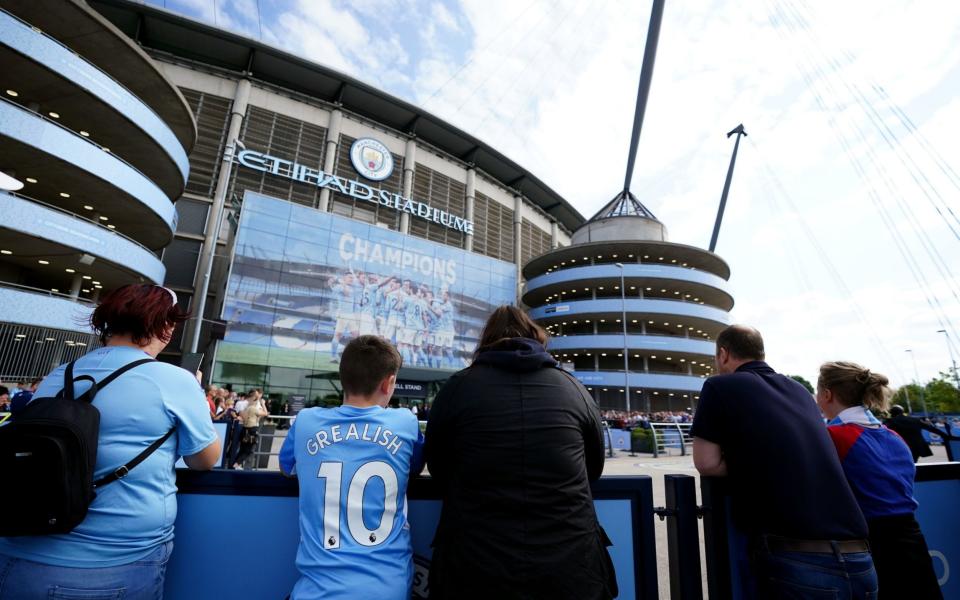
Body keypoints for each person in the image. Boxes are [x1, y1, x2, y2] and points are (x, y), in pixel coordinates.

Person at [0, 284, 220, 599]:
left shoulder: (61, 374)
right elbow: (205, 459)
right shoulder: (173, 380)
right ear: (167, 329)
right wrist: (195, 395)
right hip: (113, 565)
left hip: (17, 554)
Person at [424, 305, 615, 599]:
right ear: (536, 337)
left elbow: (438, 467)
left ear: (486, 341)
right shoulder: (573, 388)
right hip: (572, 565)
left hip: (474, 566)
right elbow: (594, 469)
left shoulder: (457, 388)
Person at [691, 325, 876, 598]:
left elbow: (706, 463)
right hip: (860, 555)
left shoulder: (719, 385)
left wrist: (752, 460)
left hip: (798, 558)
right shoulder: (799, 390)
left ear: (723, 354)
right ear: (761, 353)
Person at [279, 335, 423, 599]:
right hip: (387, 589)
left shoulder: (306, 421)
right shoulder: (405, 422)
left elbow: (286, 468)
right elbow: (414, 467)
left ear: (343, 377)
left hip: (316, 591)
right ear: (389, 383)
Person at [817, 361, 942, 599]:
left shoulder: (833, 435)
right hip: (913, 541)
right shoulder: (893, 436)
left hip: (872, 547)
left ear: (826, 394)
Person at [884, 404, 951, 463]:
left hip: (900, 447)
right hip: (917, 447)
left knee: (901, 465)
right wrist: (946, 436)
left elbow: (881, 431)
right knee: (913, 463)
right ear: (902, 412)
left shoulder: (890, 421)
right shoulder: (915, 420)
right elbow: (931, 429)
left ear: (892, 413)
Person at [235, 393, 268, 469]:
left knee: (242, 449)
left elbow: (244, 417)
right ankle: (236, 465)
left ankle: (236, 465)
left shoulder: (246, 408)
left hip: (245, 429)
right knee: (248, 450)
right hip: (251, 430)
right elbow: (265, 413)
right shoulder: (253, 408)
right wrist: (263, 404)